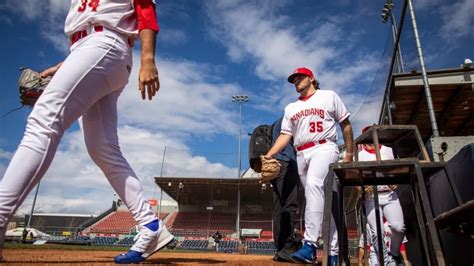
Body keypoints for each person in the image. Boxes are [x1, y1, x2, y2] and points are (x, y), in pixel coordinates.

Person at [0, 0, 173, 264]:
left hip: (105, 45)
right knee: (102, 148)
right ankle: (150, 226)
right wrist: (65, 66)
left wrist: (148, 60)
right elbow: (88, 32)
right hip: (92, 50)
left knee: (43, 123)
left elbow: (145, 8)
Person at [265, 67, 354, 264]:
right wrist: (269, 155)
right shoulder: (291, 108)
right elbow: (285, 135)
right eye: (294, 79)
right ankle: (332, 254)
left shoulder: (328, 96)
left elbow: (345, 124)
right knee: (323, 204)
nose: (296, 80)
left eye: (300, 77)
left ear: (312, 78)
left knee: (313, 185)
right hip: (302, 154)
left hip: (324, 147)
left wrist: (349, 153)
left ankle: (310, 246)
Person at [357, 126, 406, 265]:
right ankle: (384, 262)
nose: (372, 138)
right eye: (368, 135)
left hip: (390, 194)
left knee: (398, 227)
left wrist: (396, 180)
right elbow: (353, 175)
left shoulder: (389, 150)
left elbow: (400, 168)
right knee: (376, 232)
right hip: (371, 197)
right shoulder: (360, 155)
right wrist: (360, 189)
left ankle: (395, 253)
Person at [269, 117, 300, 262]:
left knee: (279, 207)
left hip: (277, 165)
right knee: (289, 204)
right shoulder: (291, 117)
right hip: (287, 163)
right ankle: (287, 247)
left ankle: (280, 248)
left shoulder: (277, 122)